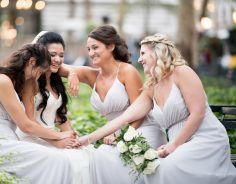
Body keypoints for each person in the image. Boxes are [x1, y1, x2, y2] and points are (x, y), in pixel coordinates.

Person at [78, 33, 236, 184]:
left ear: (157, 53)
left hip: (203, 139)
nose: (139, 59)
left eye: (143, 53)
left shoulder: (182, 72)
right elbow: (124, 118)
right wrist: (87, 139)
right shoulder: (151, 87)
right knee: (151, 169)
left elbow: (198, 113)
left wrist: (173, 146)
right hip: (177, 145)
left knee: (165, 168)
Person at [61, 25, 167, 184]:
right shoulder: (93, 75)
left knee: (108, 156)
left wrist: (122, 134)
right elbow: (56, 67)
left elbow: (140, 112)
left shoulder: (127, 72)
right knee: (100, 155)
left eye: (95, 47)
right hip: (113, 133)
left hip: (140, 128)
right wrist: (72, 73)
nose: (91, 53)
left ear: (110, 46)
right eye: (88, 49)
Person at [0, 43, 76, 184]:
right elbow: (26, 126)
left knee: (59, 159)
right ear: (32, 62)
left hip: (9, 140)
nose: (39, 76)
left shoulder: (13, 81)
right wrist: (60, 135)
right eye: (40, 71)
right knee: (57, 160)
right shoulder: (1, 80)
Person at [16, 31, 94, 184]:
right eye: (52, 55)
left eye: (61, 55)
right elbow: (29, 122)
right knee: (67, 160)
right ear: (40, 53)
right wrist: (57, 141)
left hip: (53, 137)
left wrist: (72, 136)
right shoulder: (31, 82)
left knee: (85, 153)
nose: (58, 59)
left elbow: (60, 117)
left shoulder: (55, 80)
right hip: (33, 138)